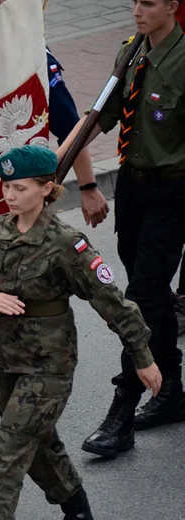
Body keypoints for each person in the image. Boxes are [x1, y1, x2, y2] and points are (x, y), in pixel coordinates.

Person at [0, 145, 159, 520]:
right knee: (36, 444)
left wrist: (144, 357)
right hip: (7, 361)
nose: (9, 195)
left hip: (50, 364)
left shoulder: (66, 244)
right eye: (5, 186)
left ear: (46, 189)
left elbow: (112, 303)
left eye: (20, 188)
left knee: (7, 450)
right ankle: (78, 515)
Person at [0, 0, 112, 405]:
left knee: (9, 271)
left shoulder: (33, 55)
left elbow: (72, 127)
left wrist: (88, 187)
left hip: (26, 189)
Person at [58, 0, 185, 457]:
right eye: (133, 1)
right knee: (150, 296)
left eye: (148, 3)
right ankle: (170, 389)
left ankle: (123, 408)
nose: (136, 10)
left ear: (172, 6)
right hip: (133, 186)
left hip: (175, 191)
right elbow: (99, 117)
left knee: (142, 297)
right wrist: (58, 164)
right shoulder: (131, 51)